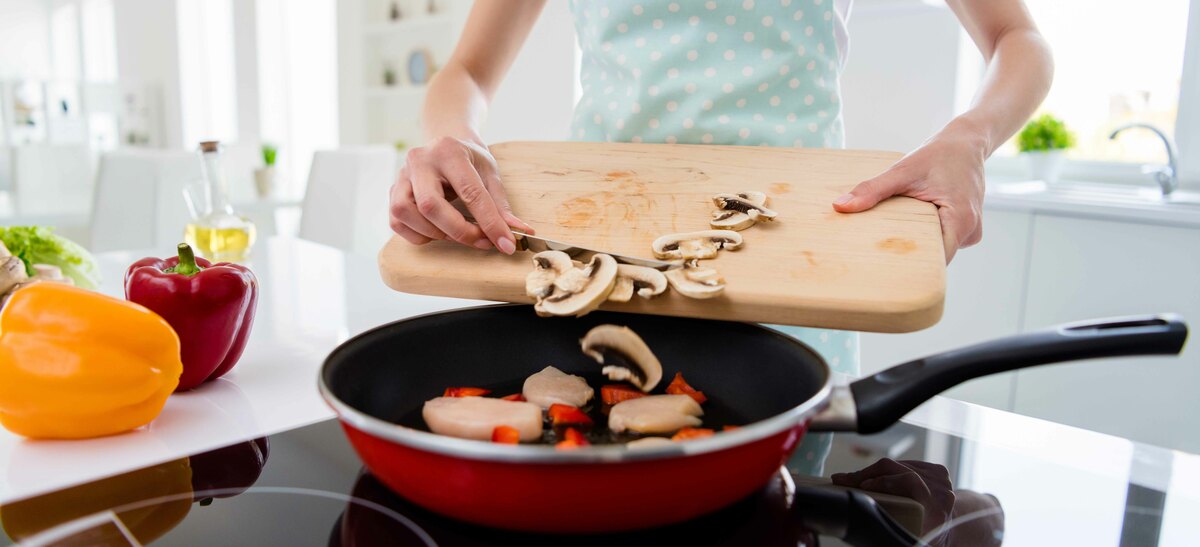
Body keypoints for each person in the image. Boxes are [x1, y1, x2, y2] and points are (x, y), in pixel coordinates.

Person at [387, 0, 1051, 470]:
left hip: (792, 281)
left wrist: (970, 137)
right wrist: (456, 143)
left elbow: (1019, 39)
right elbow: (465, 72)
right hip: (601, 277)